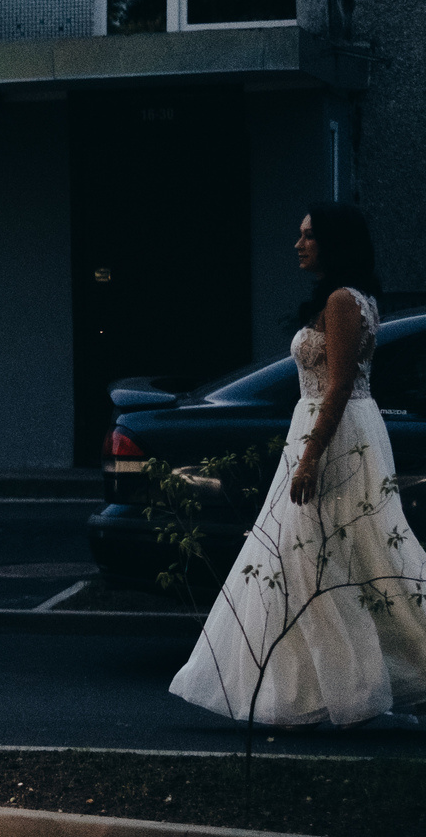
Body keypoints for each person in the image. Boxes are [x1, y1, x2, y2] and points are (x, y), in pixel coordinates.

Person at [171, 203, 426, 727]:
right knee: (322, 555)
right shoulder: (348, 297)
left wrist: (309, 458)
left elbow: (337, 385)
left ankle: (343, 685)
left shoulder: (342, 301)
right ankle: (319, 685)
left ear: (333, 242)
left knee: (323, 551)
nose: (298, 244)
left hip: (331, 432)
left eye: (308, 235)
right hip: (329, 426)